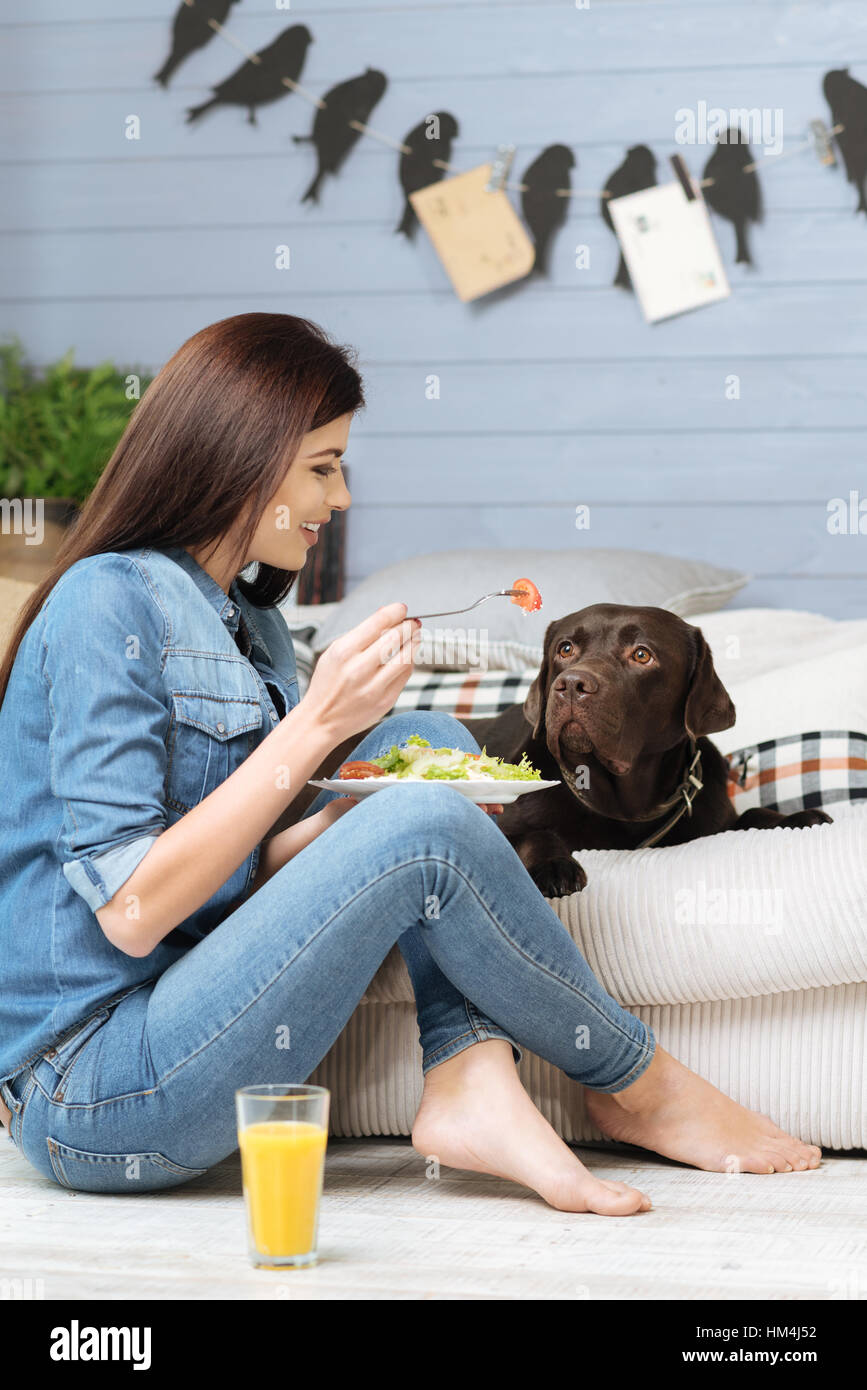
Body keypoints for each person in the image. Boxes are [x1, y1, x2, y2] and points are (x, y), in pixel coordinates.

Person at [0, 313, 820, 1213]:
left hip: (197, 1009)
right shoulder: (103, 600)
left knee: (422, 748)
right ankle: (638, 1083)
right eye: (322, 467)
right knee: (416, 815)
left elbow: (234, 884)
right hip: (96, 1088)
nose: (340, 498)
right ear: (237, 459)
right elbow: (130, 912)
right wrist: (314, 730)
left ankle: (469, 1073)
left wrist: (340, 820)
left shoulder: (255, 626)